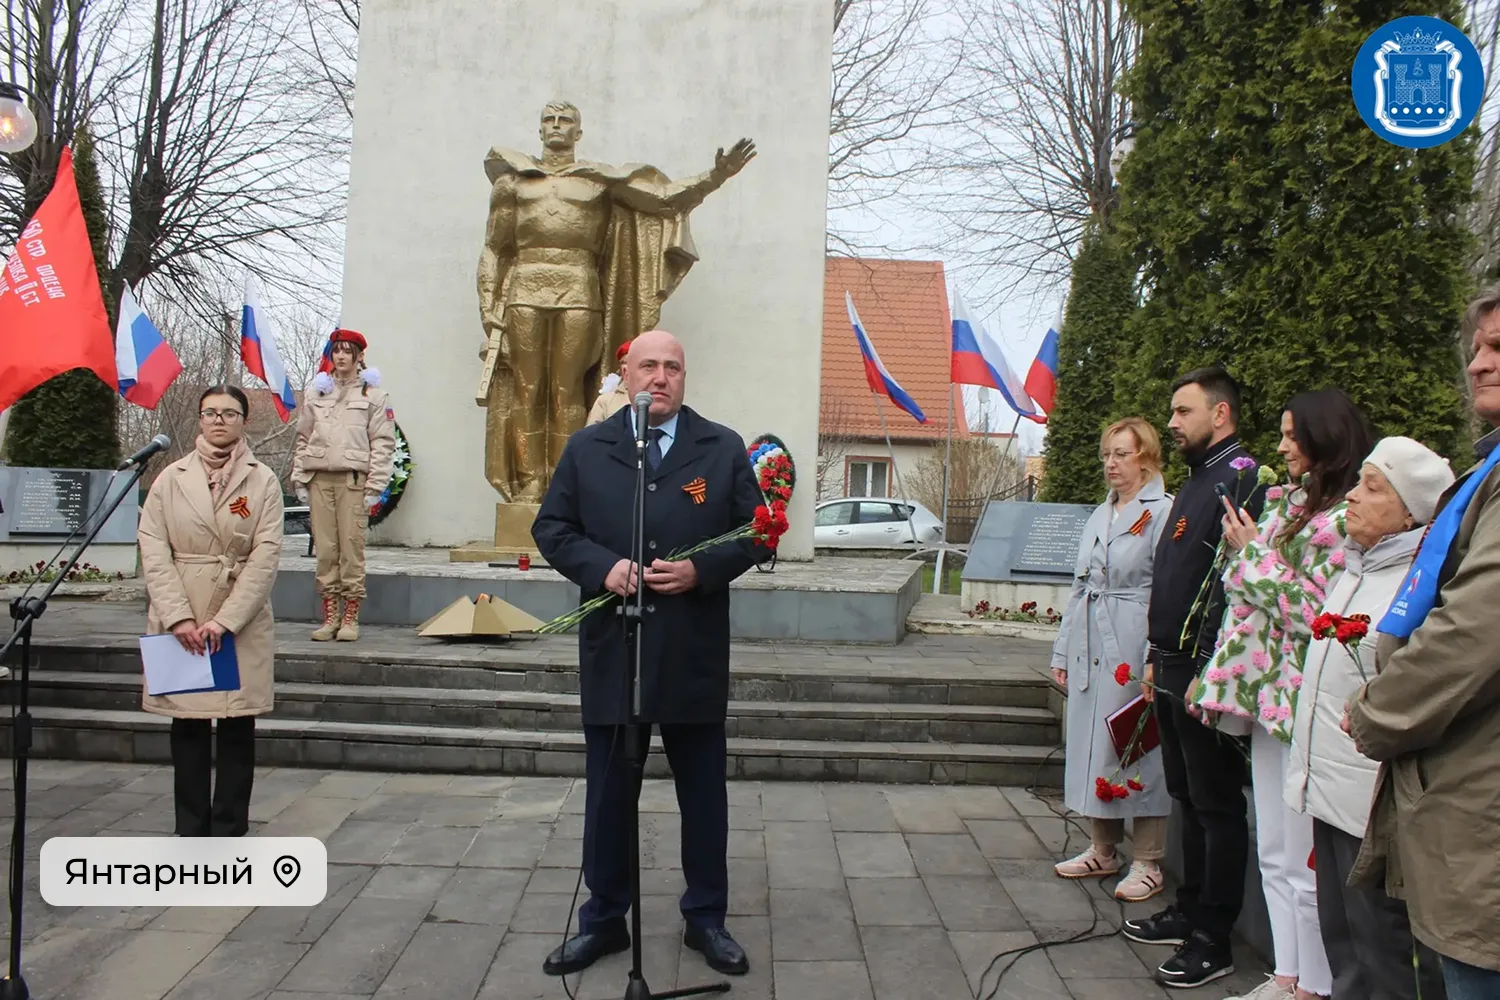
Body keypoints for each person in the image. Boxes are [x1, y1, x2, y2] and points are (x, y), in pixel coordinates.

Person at [532, 328, 768, 979]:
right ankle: (604, 920)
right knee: (609, 797)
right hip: (617, 651)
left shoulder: (718, 448)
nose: (660, 378)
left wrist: (703, 571)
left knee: (704, 796)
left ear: (683, 377)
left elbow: (756, 533)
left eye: (672, 367)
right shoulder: (588, 449)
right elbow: (551, 528)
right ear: (626, 376)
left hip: (691, 652)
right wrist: (603, 568)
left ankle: (707, 919)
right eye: (649, 367)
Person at [1192, 389, 1374, 1000]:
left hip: (1307, 703)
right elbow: (1246, 588)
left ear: (1327, 439)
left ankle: (1316, 986)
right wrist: (1249, 558)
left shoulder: (1348, 517)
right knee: (1273, 850)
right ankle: (1287, 973)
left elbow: (1320, 610)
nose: (1282, 446)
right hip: (1263, 696)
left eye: (1294, 435)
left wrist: (1253, 560)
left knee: (1302, 860)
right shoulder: (1287, 506)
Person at [1346, 285, 1500, 999]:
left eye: (1497, 348)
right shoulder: (1489, 470)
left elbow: (1473, 629)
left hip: (1477, 798)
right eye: (1476, 347)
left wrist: (1380, 710)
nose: (1476, 363)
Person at [1284, 437, 1453, 1000]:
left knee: (1383, 949)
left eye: (1373, 487)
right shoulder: (1356, 569)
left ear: (1410, 511)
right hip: (1329, 792)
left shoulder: (1420, 586)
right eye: (1357, 482)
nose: (1351, 496)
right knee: (1344, 942)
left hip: (1371, 807)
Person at [1123, 366, 1267, 989]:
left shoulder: (1242, 476)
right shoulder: (1198, 480)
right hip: (1173, 663)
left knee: (1216, 802)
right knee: (1185, 793)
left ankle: (1215, 934)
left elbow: (1229, 585)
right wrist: (1158, 651)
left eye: (1184, 413)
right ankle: (1190, 907)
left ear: (1221, 414)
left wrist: (1205, 670)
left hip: (1203, 670)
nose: (1173, 424)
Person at [137, 386, 285, 837]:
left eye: (230, 413)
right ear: (200, 420)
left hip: (236, 615)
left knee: (238, 722)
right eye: (211, 413)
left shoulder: (262, 481)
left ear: (244, 421)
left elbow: (266, 555)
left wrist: (226, 620)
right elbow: (153, 547)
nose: (219, 420)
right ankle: (191, 823)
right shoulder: (170, 477)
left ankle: (229, 824)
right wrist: (179, 617)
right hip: (183, 608)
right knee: (189, 725)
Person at [1050, 417, 1175, 901]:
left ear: (1146, 458)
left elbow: (1167, 589)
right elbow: (1080, 586)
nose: (1110, 463)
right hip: (1090, 640)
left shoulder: (1162, 512)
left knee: (1136, 742)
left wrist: (1153, 655)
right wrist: (1063, 650)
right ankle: (1102, 847)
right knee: (1091, 744)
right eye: (1107, 453)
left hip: (1133, 636)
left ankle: (1148, 859)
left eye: (1121, 454)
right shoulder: (1099, 514)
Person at [291, 328, 396, 642]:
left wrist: (375, 485)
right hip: (320, 478)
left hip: (353, 481)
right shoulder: (316, 393)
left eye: (347, 351)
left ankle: (350, 617)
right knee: (325, 550)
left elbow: (383, 443)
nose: (340, 357)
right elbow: (303, 438)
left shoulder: (374, 396)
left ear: (359, 356)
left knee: (351, 549)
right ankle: (330, 616)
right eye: (336, 350)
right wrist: (299, 477)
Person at [587, 340, 633, 426]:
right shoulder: (605, 400)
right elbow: (590, 435)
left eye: (631, 362)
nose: (626, 368)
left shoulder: (656, 397)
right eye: (623, 363)